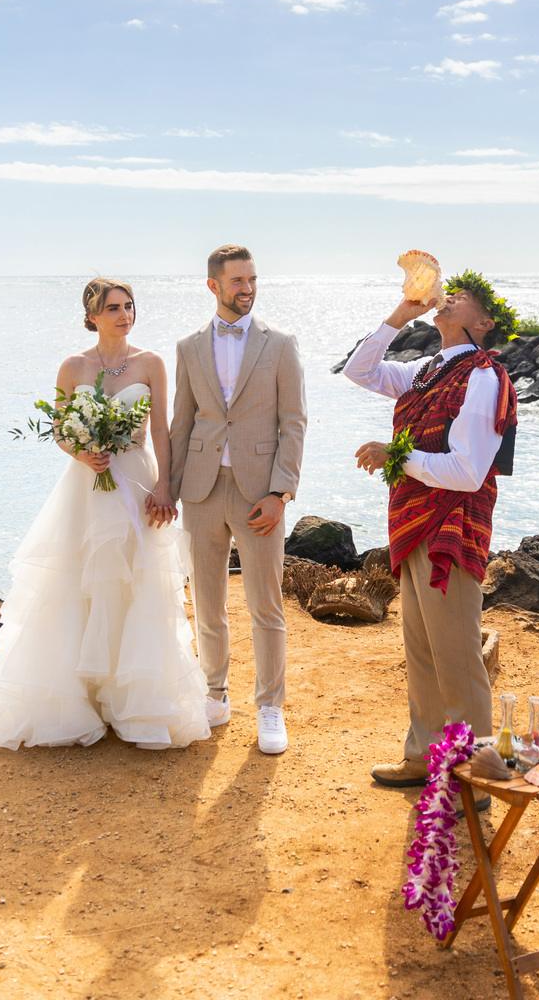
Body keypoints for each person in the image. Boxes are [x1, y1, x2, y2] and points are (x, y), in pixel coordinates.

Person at [0, 277, 209, 750]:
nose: (124, 315)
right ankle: (80, 701)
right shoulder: (73, 366)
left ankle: (135, 703)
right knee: (80, 582)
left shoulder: (151, 363)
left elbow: (161, 430)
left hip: (138, 479)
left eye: (129, 306)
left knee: (137, 583)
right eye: (113, 308)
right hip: (87, 486)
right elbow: (61, 429)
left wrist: (166, 486)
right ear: (92, 316)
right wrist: (82, 453)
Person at [344, 273, 518, 788]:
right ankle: (423, 757)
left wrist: (395, 456)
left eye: (462, 297)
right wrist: (402, 314)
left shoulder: (483, 377)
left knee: (457, 656)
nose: (450, 297)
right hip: (413, 518)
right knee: (421, 650)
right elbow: (359, 369)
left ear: (483, 322)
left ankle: (475, 774)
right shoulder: (425, 370)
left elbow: (467, 471)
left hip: (453, 527)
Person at [167, 244, 308, 755]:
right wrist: (168, 489)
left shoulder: (281, 344)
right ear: (214, 285)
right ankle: (215, 692)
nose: (247, 288)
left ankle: (270, 707)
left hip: (259, 495)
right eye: (237, 281)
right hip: (201, 491)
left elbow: (294, 422)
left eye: (252, 279)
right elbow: (182, 423)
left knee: (266, 606)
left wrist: (280, 492)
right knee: (207, 604)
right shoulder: (188, 347)